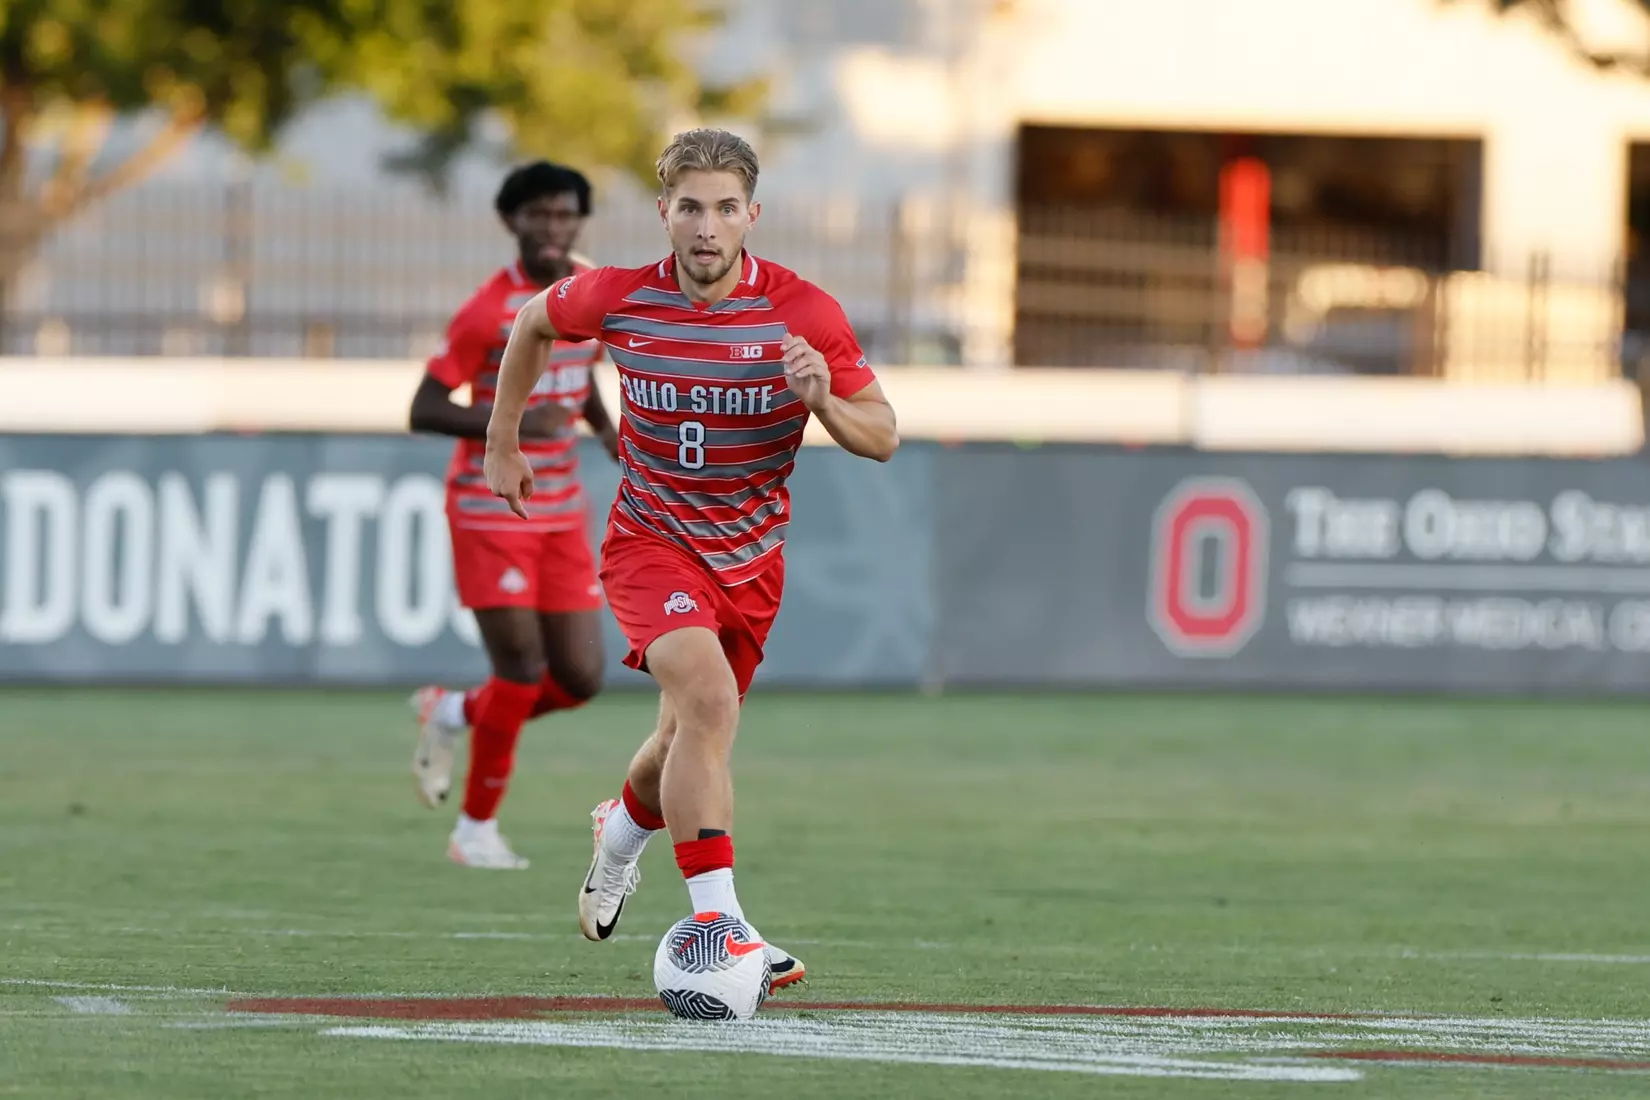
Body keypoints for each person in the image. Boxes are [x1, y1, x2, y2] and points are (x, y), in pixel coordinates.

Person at [482, 128, 899, 989]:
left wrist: (823, 399)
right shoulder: (620, 297)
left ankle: (621, 834)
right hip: (649, 544)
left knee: (681, 735)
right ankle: (723, 924)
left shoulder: (804, 313)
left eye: (724, 208)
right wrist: (503, 438)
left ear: (753, 215)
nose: (707, 226)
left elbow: (883, 437)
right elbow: (531, 323)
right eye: (689, 207)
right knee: (707, 702)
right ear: (664, 212)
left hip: (749, 563)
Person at [407, 160, 619, 870]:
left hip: (561, 512)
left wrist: (610, 432)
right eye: (540, 216)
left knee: (582, 677)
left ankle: (457, 711)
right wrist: (519, 429)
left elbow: (579, 374)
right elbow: (426, 408)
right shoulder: (486, 310)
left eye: (566, 217)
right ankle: (474, 832)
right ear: (512, 222)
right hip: (489, 510)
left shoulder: (585, 288)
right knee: (523, 670)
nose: (555, 230)